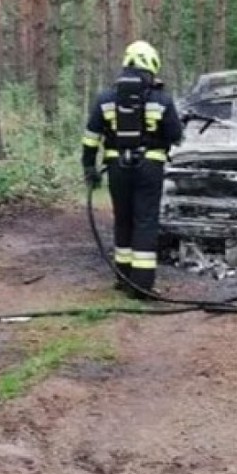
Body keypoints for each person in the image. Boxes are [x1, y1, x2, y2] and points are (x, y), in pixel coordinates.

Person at [82, 41, 182, 297]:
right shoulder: (161, 98)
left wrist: (89, 168)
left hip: (117, 168)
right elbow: (175, 135)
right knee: (145, 222)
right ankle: (143, 286)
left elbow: (91, 137)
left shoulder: (106, 98)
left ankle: (123, 279)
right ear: (151, 64)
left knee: (123, 220)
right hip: (150, 167)